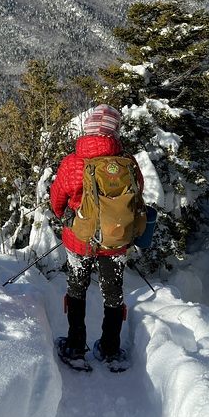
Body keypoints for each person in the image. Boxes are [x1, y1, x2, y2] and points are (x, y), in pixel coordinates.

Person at [49, 104, 144, 365]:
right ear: (114, 133)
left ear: (88, 129)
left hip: (80, 239)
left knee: (77, 289)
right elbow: (138, 194)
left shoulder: (72, 163)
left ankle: (76, 347)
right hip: (115, 241)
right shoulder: (127, 163)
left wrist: (64, 216)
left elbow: (57, 197)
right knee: (113, 293)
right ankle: (110, 350)